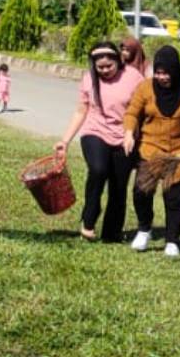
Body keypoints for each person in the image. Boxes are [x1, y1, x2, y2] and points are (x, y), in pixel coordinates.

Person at [123, 45, 180, 257]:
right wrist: (128, 133)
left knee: (174, 199)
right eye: (158, 72)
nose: (161, 77)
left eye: (166, 73)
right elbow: (132, 112)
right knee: (141, 192)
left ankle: (172, 241)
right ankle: (144, 229)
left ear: (175, 70)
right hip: (150, 149)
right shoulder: (145, 88)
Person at [53, 41, 146, 242]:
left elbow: (143, 108)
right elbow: (81, 111)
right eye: (100, 67)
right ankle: (89, 220)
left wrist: (134, 133)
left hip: (125, 137)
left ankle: (112, 233)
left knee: (118, 186)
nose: (104, 71)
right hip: (95, 131)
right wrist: (65, 141)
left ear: (118, 60)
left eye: (108, 66)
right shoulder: (88, 79)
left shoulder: (133, 77)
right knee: (98, 170)